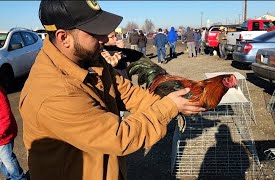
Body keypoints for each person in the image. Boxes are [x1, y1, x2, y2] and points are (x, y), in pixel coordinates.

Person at [19, 1, 205, 180]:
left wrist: (176, 103)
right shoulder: (54, 93)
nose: (105, 39)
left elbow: (128, 93)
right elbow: (119, 136)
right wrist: (168, 108)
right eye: (94, 33)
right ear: (63, 37)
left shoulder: (91, 60)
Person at [0, 86, 26, 180]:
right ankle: (10, 177)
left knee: (8, 160)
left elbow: (5, 116)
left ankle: (18, 178)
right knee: (2, 161)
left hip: (4, 136)